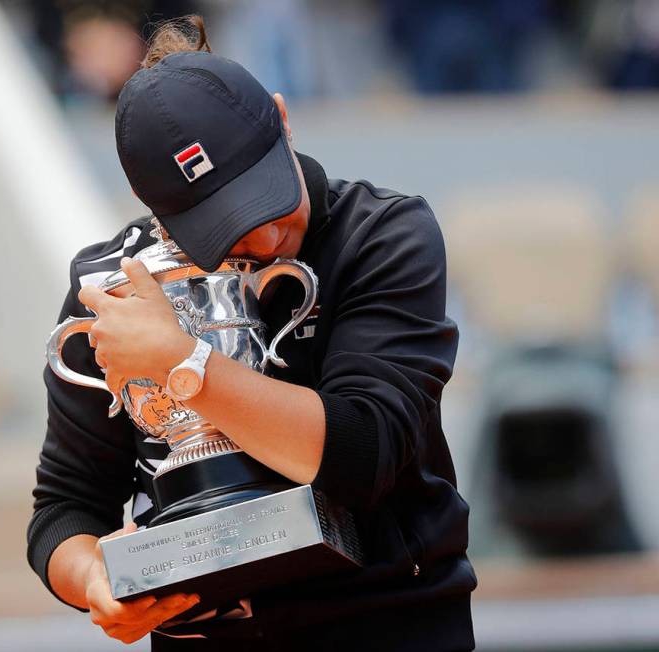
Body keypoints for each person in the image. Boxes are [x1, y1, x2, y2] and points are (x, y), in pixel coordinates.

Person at [27, 15, 477, 651]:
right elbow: (65, 507)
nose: (264, 239)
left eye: (266, 199)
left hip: (387, 623)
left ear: (282, 119)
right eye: (221, 226)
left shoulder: (381, 234)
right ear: (149, 201)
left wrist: (185, 362)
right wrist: (94, 579)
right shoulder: (111, 288)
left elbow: (366, 453)